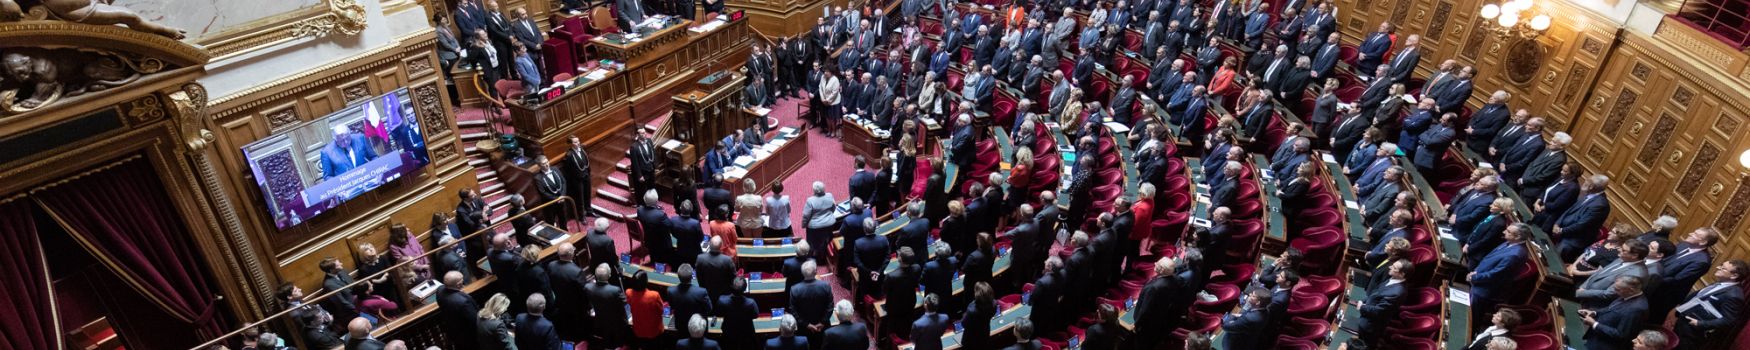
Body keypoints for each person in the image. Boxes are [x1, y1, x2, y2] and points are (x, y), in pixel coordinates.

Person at [1653, 227, 1722, 322]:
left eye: (1695, 234)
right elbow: (1664, 259)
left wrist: (1652, 278)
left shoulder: (1702, 262)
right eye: (1694, 231)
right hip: (1655, 282)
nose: (1690, 233)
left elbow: (1678, 280)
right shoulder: (1683, 244)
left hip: (1665, 294)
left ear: (1703, 242)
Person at [1673, 260, 1746, 350]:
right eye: (1721, 265)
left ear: (1734, 275)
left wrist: (1700, 324)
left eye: (1723, 268)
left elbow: (1728, 320)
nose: (1717, 267)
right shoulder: (1722, 283)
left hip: (1694, 331)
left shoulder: (1734, 295)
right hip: (1684, 319)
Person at [1470, 223, 1530, 316]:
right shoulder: (1509, 243)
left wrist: (1474, 277)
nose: (1504, 231)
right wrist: (1476, 272)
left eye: (1508, 231)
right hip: (1480, 278)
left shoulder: (1515, 255)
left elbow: (1496, 275)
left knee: (1472, 316)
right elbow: (1488, 258)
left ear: (1518, 236)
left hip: (1486, 290)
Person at [1576, 240, 1651, 308]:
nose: (1619, 250)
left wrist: (1582, 293)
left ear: (1634, 256)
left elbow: (1610, 294)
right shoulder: (1622, 258)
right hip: (1584, 294)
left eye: (1624, 250)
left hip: (1595, 305)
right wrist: (1583, 287)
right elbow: (1599, 273)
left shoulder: (1636, 274)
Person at [1581, 276, 1649, 350]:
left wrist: (1594, 324)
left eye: (1617, 289)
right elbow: (1611, 308)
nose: (1614, 290)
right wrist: (1594, 313)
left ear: (1631, 290)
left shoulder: (1636, 310)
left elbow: (1621, 335)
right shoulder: (1628, 294)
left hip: (1605, 345)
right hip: (1596, 336)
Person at [1554, 175, 1612, 262]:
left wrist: (1561, 230)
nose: (1584, 182)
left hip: (1573, 241)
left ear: (1591, 186)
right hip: (1564, 232)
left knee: (1555, 261)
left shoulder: (1600, 205)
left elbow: (1582, 225)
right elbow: (1569, 210)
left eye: (1587, 181)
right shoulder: (1589, 195)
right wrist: (1557, 223)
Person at [543, 244, 586, 341]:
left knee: (566, 322)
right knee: (578, 326)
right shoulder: (577, 272)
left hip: (560, 301)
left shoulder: (551, 265)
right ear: (571, 254)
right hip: (576, 306)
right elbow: (583, 293)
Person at [437, 271, 480, 349]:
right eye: (462, 280)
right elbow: (474, 320)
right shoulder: (464, 301)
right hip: (468, 335)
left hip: (452, 331)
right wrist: (461, 294)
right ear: (459, 285)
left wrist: (458, 292)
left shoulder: (439, 290)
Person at [625, 271, 666, 348]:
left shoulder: (628, 293)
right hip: (654, 332)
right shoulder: (654, 296)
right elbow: (661, 311)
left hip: (638, 331)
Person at [716, 277, 760, 349]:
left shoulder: (722, 300)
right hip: (747, 334)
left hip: (728, 333)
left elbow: (718, 314)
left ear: (731, 287)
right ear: (745, 289)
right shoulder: (751, 303)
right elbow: (756, 315)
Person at [317, 257, 359, 326]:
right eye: (338, 264)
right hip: (351, 311)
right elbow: (342, 303)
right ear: (331, 270)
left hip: (359, 300)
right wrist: (358, 308)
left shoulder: (342, 271)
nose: (341, 264)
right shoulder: (329, 284)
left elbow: (354, 286)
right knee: (372, 319)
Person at [802, 182, 837, 261]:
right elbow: (834, 207)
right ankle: (824, 256)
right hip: (829, 223)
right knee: (826, 240)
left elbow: (806, 215)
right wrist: (829, 216)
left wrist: (804, 225)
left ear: (814, 190)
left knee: (811, 243)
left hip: (814, 227)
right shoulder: (830, 195)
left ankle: (811, 258)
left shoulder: (810, 200)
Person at [559, 136, 591, 222]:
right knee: (579, 199)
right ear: (570, 144)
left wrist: (588, 174)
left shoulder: (582, 150)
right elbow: (567, 171)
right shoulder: (569, 155)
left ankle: (589, 210)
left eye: (578, 141)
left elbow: (586, 163)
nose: (578, 143)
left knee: (587, 194)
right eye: (575, 142)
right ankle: (581, 216)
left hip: (586, 176)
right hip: (577, 180)